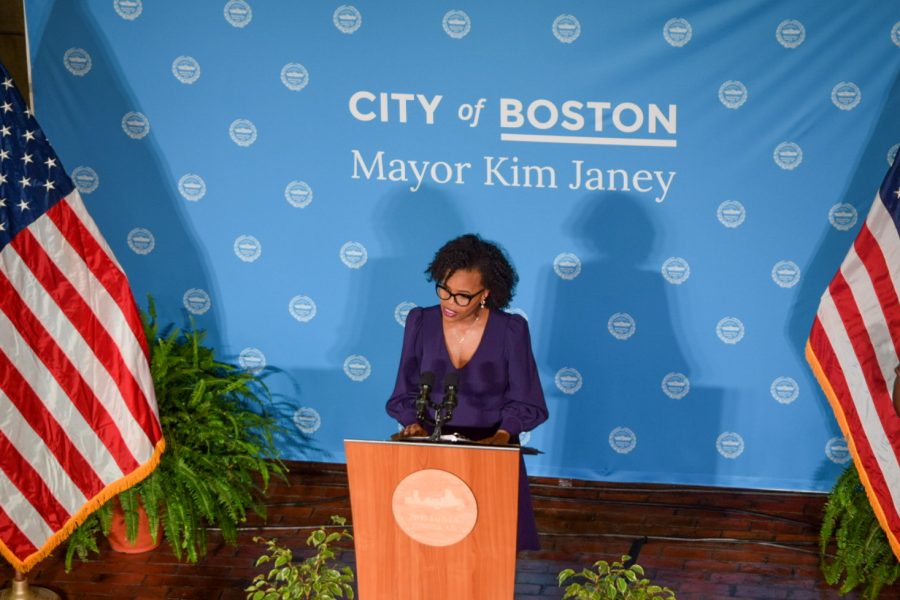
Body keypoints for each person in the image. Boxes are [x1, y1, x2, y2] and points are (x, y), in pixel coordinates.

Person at [386, 233, 549, 552]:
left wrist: (503, 436)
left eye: (463, 296)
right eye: (444, 290)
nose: (449, 302)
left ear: (485, 294)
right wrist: (413, 424)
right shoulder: (420, 321)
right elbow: (403, 391)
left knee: (491, 550)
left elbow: (527, 399)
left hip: (492, 452)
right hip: (429, 451)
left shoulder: (511, 330)